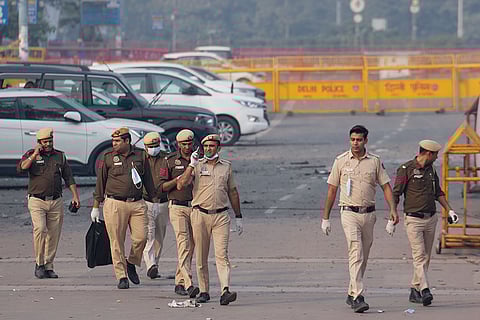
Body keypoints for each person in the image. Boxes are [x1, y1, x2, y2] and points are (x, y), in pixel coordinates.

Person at [322, 125, 399, 313]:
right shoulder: (340, 161)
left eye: (359, 140)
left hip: (369, 214)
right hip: (348, 213)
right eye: (352, 140)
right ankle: (358, 296)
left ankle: (351, 291)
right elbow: (332, 189)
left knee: (363, 256)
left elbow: (386, 186)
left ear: (365, 140)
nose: (355, 143)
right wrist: (325, 217)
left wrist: (393, 209)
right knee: (355, 251)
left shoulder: (374, 161)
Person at [177, 134, 243, 305]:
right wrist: (191, 165)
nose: (208, 149)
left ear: (218, 148)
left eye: (212, 146)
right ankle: (204, 291)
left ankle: (225, 290)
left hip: (221, 215)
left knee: (222, 255)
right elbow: (181, 184)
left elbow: (233, 192)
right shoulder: (197, 165)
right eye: (205, 146)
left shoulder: (226, 167)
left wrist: (239, 216)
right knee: (201, 256)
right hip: (199, 215)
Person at [393, 140, 458, 306]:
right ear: (428, 153)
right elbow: (396, 194)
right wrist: (392, 216)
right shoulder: (405, 169)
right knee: (419, 255)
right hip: (413, 220)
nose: (437, 158)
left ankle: (415, 290)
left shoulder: (432, 170)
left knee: (426, 257)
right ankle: (425, 289)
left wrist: (449, 210)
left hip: (431, 219)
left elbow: (438, 193)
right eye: (435, 154)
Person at [91, 127, 157, 289]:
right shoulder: (108, 157)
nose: (114, 144)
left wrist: (154, 200)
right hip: (115, 203)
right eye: (113, 141)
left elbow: (148, 178)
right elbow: (101, 183)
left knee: (141, 237)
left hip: (137, 203)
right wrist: (95, 206)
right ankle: (121, 276)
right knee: (117, 241)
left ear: (127, 141)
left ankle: (131, 262)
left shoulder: (141, 155)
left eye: (117, 141)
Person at [17, 127, 80, 279]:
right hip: (37, 200)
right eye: (45, 141)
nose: (48, 144)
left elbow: (68, 177)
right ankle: (39, 264)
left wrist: (75, 196)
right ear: (39, 142)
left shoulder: (60, 156)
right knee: (40, 229)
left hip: (56, 200)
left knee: (53, 234)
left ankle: (48, 265)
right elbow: (21, 169)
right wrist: (35, 155)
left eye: (50, 141)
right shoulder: (31, 154)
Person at [159, 129, 200, 298]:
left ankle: (179, 281)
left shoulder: (199, 160)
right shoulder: (169, 161)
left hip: (196, 207)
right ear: (178, 144)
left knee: (192, 245)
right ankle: (188, 283)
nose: (187, 146)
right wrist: (177, 180)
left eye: (189, 143)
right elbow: (161, 187)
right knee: (183, 243)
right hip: (177, 207)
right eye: (184, 144)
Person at [141, 132, 169, 280]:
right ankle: (150, 264)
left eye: (156, 145)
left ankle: (155, 265)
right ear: (145, 147)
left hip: (164, 202)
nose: (154, 149)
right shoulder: (140, 158)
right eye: (151, 146)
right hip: (146, 201)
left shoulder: (167, 157)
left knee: (160, 236)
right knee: (149, 235)